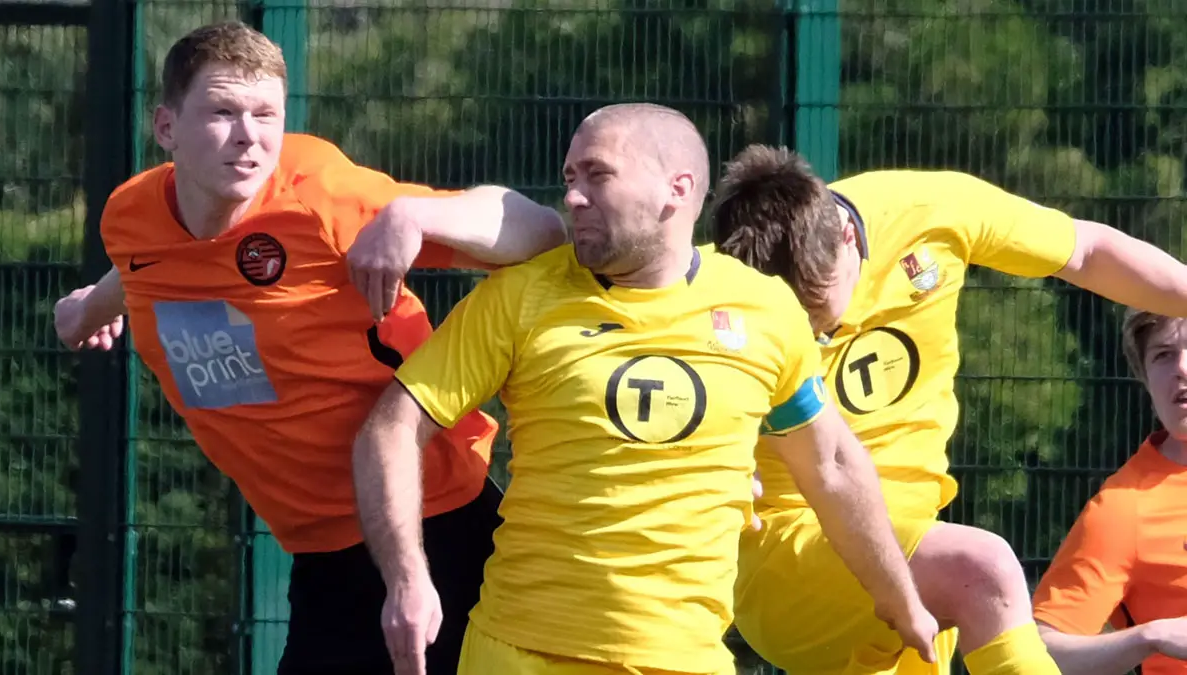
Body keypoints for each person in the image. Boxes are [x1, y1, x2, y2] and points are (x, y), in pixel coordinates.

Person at [351, 102, 939, 675]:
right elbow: (393, 427)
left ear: (676, 189)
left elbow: (831, 464)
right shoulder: (519, 298)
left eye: (598, 174)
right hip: (520, 649)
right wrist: (407, 578)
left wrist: (901, 601)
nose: (573, 196)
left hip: (683, 656)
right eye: (570, 178)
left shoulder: (763, 308)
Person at [52, 21, 567, 675]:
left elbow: (538, 230)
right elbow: (145, 266)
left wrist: (413, 216)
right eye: (222, 112)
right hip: (321, 553)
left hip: (436, 528)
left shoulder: (323, 198)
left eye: (266, 114)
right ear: (166, 127)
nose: (249, 136)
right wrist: (87, 310)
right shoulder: (130, 216)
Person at [709, 145, 1187, 675]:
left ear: (846, 236)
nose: (814, 337)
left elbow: (1087, 252)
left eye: (820, 310)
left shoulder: (930, 212)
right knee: (983, 570)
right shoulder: (709, 289)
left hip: (915, 560)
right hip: (787, 556)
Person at [1031, 307, 1187, 675]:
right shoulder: (1124, 509)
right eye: (1163, 355)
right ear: (1144, 377)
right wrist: (1150, 637)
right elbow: (1039, 652)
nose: (1182, 367)